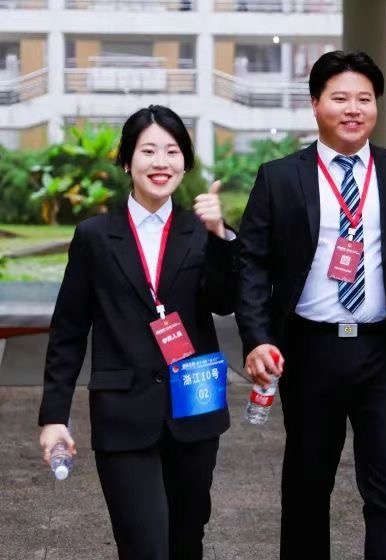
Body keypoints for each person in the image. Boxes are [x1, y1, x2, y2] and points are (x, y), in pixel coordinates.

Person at [236, 50, 386, 560]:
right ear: (315, 103)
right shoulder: (280, 177)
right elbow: (251, 263)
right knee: (307, 487)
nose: (353, 109)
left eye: (364, 99)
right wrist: (257, 338)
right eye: (340, 98)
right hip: (310, 352)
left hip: (383, 352)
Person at [38, 105, 236, 560]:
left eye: (172, 151)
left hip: (193, 410)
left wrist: (220, 235)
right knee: (144, 546)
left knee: (186, 542)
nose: (160, 162)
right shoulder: (94, 236)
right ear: (127, 161)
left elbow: (225, 301)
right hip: (122, 414)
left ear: (184, 163)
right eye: (148, 151)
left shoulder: (202, 231)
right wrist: (54, 417)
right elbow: (68, 330)